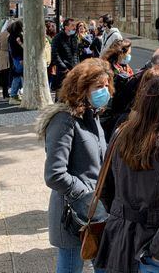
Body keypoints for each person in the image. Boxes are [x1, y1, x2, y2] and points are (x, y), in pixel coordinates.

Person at [94, 76, 159, 273]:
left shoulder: (121, 134)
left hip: (120, 238)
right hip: (153, 247)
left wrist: (121, 215)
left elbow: (104, 189)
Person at [40, 58, 113, 273]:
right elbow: (54, 174)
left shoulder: (92, 115)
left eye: (107, 85)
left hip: (96, 212)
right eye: (99, 86)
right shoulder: (64, 120)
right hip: (73, 215)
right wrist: (85, 193)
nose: (105, 91)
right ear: (81, 88)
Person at [51, 18, 79, 98]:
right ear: (66, 27)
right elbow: (55, 54)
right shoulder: (57, 38)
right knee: (60, 92)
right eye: (72, 25)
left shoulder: (74, 38)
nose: (74, 28)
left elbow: (76, 53)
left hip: (73, 69)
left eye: (75, 25)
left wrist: (76, 66)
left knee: (73, 91)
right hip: (62, 70)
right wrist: (64, 68)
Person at [8, 20, 24, 105]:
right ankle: (14, 95)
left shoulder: (11, 36)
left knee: (17, 76)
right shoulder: (17, 36)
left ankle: (14, 95)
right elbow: (18, 49)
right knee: (18, 76)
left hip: (16, 58)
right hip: (19, 59)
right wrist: (21, 58)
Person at [0, 22, 11, 99]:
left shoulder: (1, 34)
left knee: (4, 75)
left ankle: (5, 93)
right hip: (11, 56)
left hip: (2, 55)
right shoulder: (14, 35)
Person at [45, 21, 57, 87]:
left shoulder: (49, 38)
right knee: (49, 75)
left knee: (49, 75)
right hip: (50, 59)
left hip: (49, 59)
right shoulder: (50, 38)